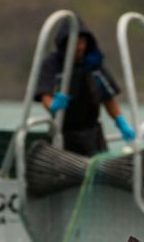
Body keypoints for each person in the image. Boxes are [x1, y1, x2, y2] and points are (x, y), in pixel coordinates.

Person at [34, 18, 135, 156]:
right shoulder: (52, 64)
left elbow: (108, 97)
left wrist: (120, 121)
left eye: (82, 42)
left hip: (92, 134)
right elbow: (45, 94)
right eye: (75, 42)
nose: (79, 46)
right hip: (63, 133)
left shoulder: (94, 65)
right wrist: (53, 106)